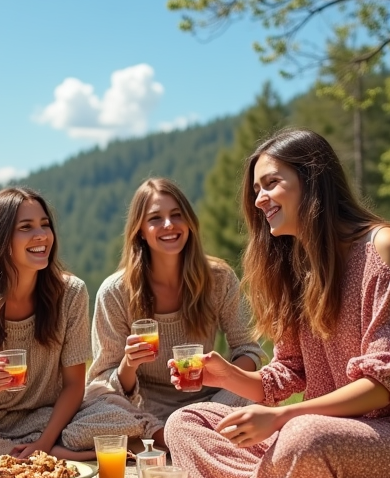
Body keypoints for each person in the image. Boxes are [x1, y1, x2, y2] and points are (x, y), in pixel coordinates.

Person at [164, 129, 390, 478]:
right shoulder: (295, 264)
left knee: (303, 436)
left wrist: (283, 417)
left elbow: (380, 388)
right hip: (332, 432)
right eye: (256, 189)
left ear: (313, 180)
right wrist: (225, 376)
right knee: (185, 422)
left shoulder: (384, 248)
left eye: (271, 183)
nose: (259, 200)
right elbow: (288, 372)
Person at [0, 187, 153, 473]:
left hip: (48, 421)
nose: (41, 235)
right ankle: (62, 455)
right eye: (26, 227)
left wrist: (45, 442)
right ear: (0, 239)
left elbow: (75, 385)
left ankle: (30, 457)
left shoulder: (70, 293)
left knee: (116, 414)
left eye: (45, 225)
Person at [85, 178, 265, 447]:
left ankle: (181, 438)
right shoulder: (115, 291)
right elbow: (102, 381)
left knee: (263, 391)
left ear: (189, 223)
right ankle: (180, 438)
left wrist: (222, 374)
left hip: (212, 402)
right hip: (145, 411)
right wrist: (129, 363)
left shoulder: (218, 278)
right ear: (140, 231)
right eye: (156, 218)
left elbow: (248, 350)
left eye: (177, 215)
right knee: (94, 404)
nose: (169, 225)